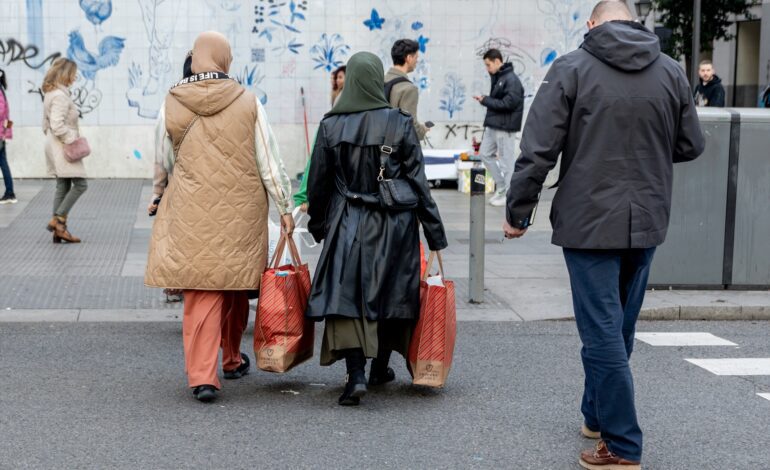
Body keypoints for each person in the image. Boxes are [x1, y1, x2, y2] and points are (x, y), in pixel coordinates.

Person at [503, 2, 704, 468]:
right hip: (648, 215)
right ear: (634, 21)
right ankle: (596, 414)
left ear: (592, 24)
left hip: (588, 218)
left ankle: (622, 445)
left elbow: (538, 148)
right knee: (618, 327)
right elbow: (691, 143)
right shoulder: (670, 70)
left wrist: (519, 210)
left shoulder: (571, 68)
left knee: (601, 333)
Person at [144, 31, 294, 403]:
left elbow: (162, 160)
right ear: (225, 59)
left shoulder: (171, 103)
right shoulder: (248, 102)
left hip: (191, 209)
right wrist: (285, 207)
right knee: (233, 284)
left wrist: (160, 193)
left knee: (199, 291)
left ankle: (202, 377)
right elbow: (269, 162)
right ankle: (230, 357)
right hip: (241, 210)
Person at [305, 51, 447, 407]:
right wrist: (434, 233)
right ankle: (380, 367)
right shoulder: (399, 123)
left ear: (350, 80)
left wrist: (318, 224)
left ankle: (355, 374)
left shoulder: (330, 125)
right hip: (395, 222)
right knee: (391, 290)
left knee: (348, 297)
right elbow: (418, 182)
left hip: (348, 221)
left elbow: (319, 184)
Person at [42, 58, 88, 243]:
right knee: (81, 184)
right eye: (73, 73)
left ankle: (59, 230)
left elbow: (45, 123)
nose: (75, 76)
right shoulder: (60, 96)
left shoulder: (51, 93)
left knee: (63, 185)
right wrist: (72, 140)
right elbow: (56, 124)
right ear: (66, 74)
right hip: (63, 146)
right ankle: (58, 219)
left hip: (54, 144)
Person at [474, 48, 524, 207]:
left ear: (497, 61)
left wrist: (485, 100)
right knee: (484, 154)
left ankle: (508, 193)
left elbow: (509, 103)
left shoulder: (511, 80)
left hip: (505, 127)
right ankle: (502, 187)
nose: (487, 68)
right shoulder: (500, 77)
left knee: (506, 162)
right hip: (494, 125)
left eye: (488, 65)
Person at [295, 64, 347, 213]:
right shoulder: (336, 101)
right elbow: (316, 162)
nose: (336, 80)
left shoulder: (341, 96)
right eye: (336, 77)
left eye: (340, 77)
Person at [385, 39, 428, 140]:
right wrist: (423, 130)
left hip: (375, 147)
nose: (417, 61)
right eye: (416, 57)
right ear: (409, 58)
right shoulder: (409, 89)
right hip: (395, 150)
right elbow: (410, 127)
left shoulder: (380, 81)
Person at [0, 68, 16, 204]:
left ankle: (10, 192)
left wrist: (4, 133)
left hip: (0, 133)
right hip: (2, 133)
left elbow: (2, 113)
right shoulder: (1, 91)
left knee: (3, 162)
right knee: (3, 162)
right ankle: (10, 192)